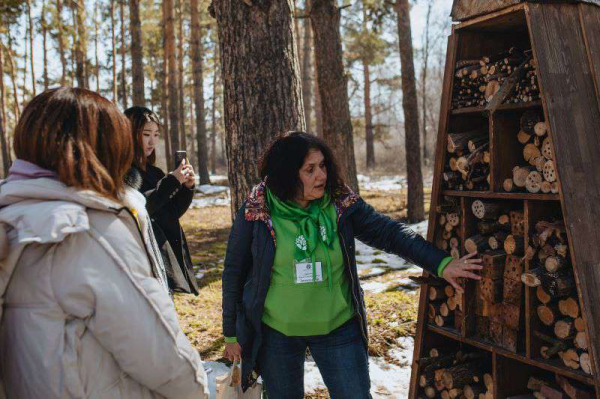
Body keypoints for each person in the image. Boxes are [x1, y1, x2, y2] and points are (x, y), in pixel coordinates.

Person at [221, 132, 483, 398]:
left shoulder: (339, 202)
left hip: (338, 327)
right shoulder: (257, 209)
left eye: (323, 166)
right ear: (287, 173)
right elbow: (234, 271)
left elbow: (390, 233)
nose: (321, 175)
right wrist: (230, 334)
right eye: (309, 169)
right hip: (278, 332)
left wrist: (441, 263)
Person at [0, 87, 209, 399]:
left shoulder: (13, 213)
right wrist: (200, 391)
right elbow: (160, 356)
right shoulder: (89, 230)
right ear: (103, 145)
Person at [124, 106, 199, 295]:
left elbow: (170, 212)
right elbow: (140, 208)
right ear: (130, 134)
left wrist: (186, 188)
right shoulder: (123, 172)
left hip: (163, 257)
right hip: (140, 257)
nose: (152, 141)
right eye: (146, 134)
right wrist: (172, 181)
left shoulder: (155, 172)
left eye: (156, 134)